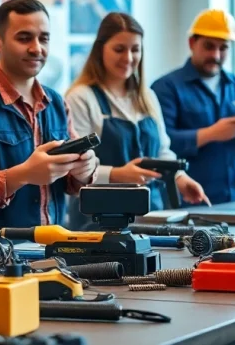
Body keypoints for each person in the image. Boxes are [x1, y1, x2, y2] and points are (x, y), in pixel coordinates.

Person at [0, 0, 98, 239]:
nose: (37, 48)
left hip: (53, 247)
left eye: (44, 38)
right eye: (24, 38)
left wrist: (85, 170)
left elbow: (73, 185)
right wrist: (22, 175)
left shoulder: (57, 102)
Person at [65, 13, 209, 228]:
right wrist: (117, 175)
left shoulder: (147, 97)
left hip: (150, 216)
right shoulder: (81, 98)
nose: (129, 58)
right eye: (119, 49)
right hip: (97, 221)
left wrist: (180, 178)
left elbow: (162, 151)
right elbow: (76, 168)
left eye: (135, 49)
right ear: (100, 49)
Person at [151, 9, 235, 205]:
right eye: (209, 46)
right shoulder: (165, 88)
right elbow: (157, 145)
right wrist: (209, 134)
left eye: (223, 48)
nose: (216, 55)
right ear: (192, 43)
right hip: (189, 202)